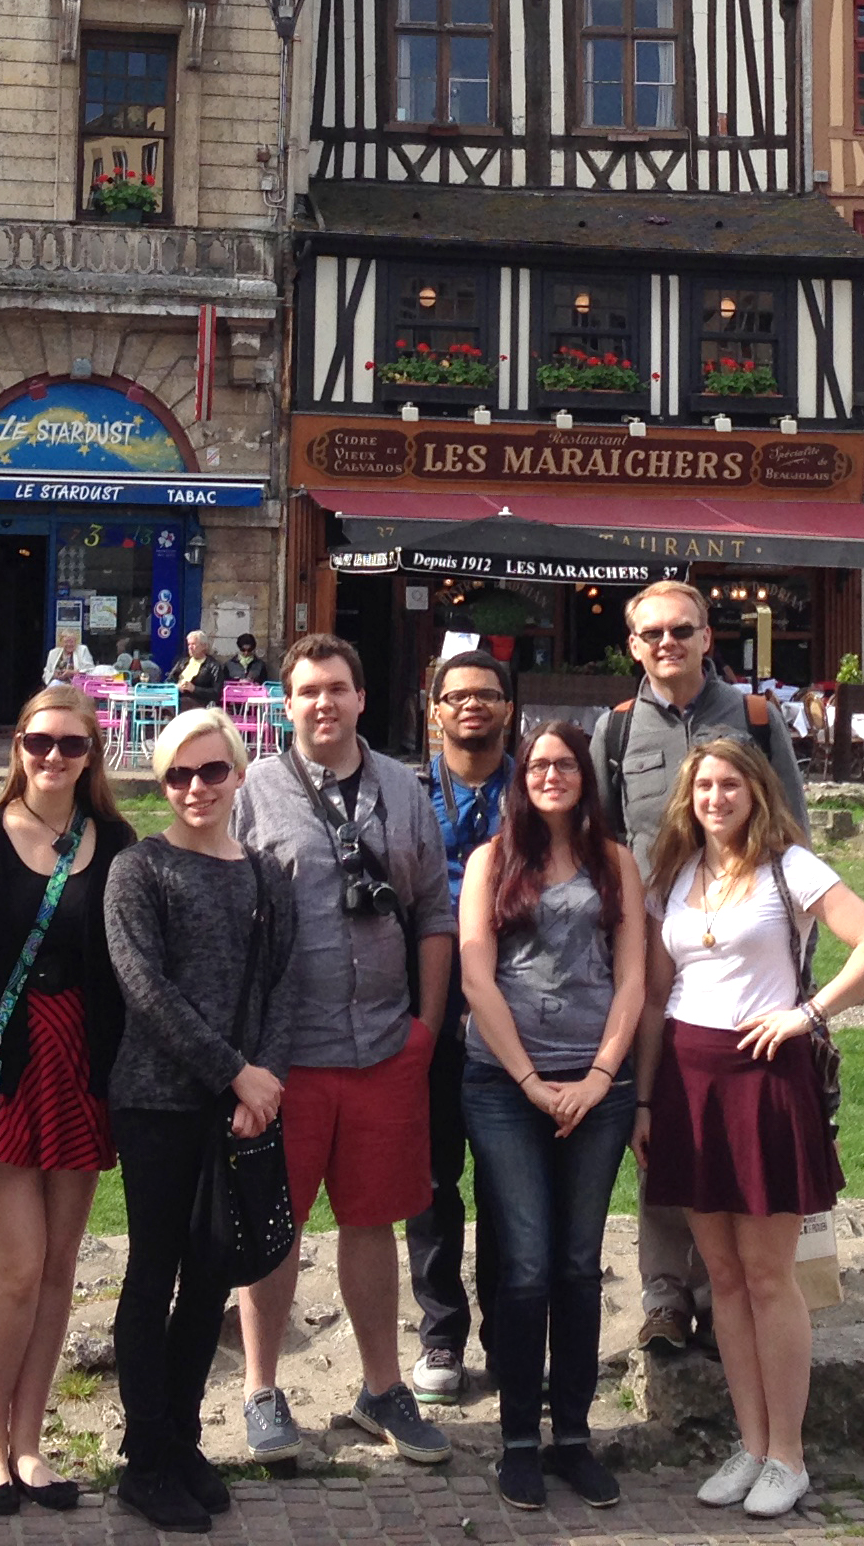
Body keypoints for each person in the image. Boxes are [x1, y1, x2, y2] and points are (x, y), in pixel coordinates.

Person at [636, 739, 864, 1519]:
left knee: (766, 1275)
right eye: (703, 785)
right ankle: (750, 1442)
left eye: (729, 784)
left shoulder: (791, 866)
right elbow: (656, 997)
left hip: (763, 1079)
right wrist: (646, 1101)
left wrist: (808, 1012)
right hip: (688, 1081)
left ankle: (789, 1451)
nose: (715, 797)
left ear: (756, 791)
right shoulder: (676, 876)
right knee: (718, 1278)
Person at [228, 634, 454, 1467]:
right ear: (286, 704)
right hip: (288, 1056)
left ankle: (381, 1385)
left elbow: (434, 910)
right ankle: (261, 1388)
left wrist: (426, 1026)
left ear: (363, 696)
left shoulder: (404, 787)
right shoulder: (255, 790)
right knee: (273, 1230)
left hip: (385, 1044)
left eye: (337, 688)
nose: (323, 703)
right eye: (306, 691)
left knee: (372, 1223)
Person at [0, 684, 138, 1514]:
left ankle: (29, 1442)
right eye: (40, 742)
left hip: (81, 1063)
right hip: (3, 1064)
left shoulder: (116, 841)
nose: (54, 758)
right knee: (14, 1265)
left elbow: (124, 969)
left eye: (71, 745)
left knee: (57, 1269)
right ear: (18, 746)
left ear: (93, 754)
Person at [589, 578, 809, 1353]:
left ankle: (732, 1290)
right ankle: (664, 1292)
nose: (666, 644)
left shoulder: (752, 718)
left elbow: (794, 835)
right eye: (651, 633)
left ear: (708, 636)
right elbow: (602, 845)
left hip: (746, 953)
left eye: (681, 630)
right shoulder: (616, 733)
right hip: (658, 947)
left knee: (743, 1127)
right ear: (633, 644)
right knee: (659, 1120)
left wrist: (795, 973)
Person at [101, 708, 294, 1533]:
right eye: (178, 775)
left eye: (211, 771)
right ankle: (144, 1454)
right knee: (154, 1272)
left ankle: (182, 1435)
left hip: (238, 1107)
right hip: (157, 1099)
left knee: (213, 1271)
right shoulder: (140, 869)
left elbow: (282, 986)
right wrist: (235, 1071)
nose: (196, 788)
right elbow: (145, 989)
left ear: (238, 773)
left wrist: (265, 1083)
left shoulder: (265, 874)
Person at [458, 720, 645, 1511]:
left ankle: (574, 1433)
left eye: (565, 763)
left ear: (585, 775)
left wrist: (601, 1075)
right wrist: (532, 1080)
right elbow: (475, 975)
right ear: (520, 777)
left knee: (577, 1261)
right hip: (506, 1085)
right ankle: (518, 1440)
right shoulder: (489, 861)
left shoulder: (615, 862)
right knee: (527, 1261)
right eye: (538, 764)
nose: (552, 775)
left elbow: (634, 980)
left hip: (597, 1085)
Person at [406, 649, 517, 1406]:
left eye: (487, 694)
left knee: (510, 1180)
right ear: (435, 709)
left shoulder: (541, 788)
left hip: (518, 1004)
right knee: (433, 1175)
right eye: (457, 695)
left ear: (508, 708)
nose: (472, 705)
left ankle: (511, 1335)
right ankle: (441, 1328)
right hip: (429, 1002)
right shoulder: (408, 794)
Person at [173, 630, 226, 715]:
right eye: (189, 644)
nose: (190, 647)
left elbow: (216, 693)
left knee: (177, 705)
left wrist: (194, 689)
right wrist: (177, 686)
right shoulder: (182, 662)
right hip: (178, 697)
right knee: (164, 704)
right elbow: (169, 680)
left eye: (193, 644)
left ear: (203, 646)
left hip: (200, 702)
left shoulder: (213, 666)